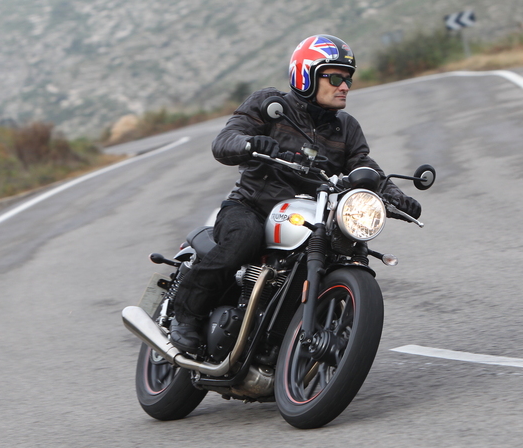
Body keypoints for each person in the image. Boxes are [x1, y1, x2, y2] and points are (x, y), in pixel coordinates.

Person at [169, 34, 421, 354]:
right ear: (306, 75)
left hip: (307, 215)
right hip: (252, 205)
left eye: (348, 79)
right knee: (244, 237)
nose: (344, 86)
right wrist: (249, 144)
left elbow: (365, 168)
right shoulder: (271, 105)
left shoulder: (346, 127)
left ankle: (296, 337)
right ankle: (185, 315)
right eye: (334, 77)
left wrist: (394, 195)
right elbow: (225, 140)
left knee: (348, 247)